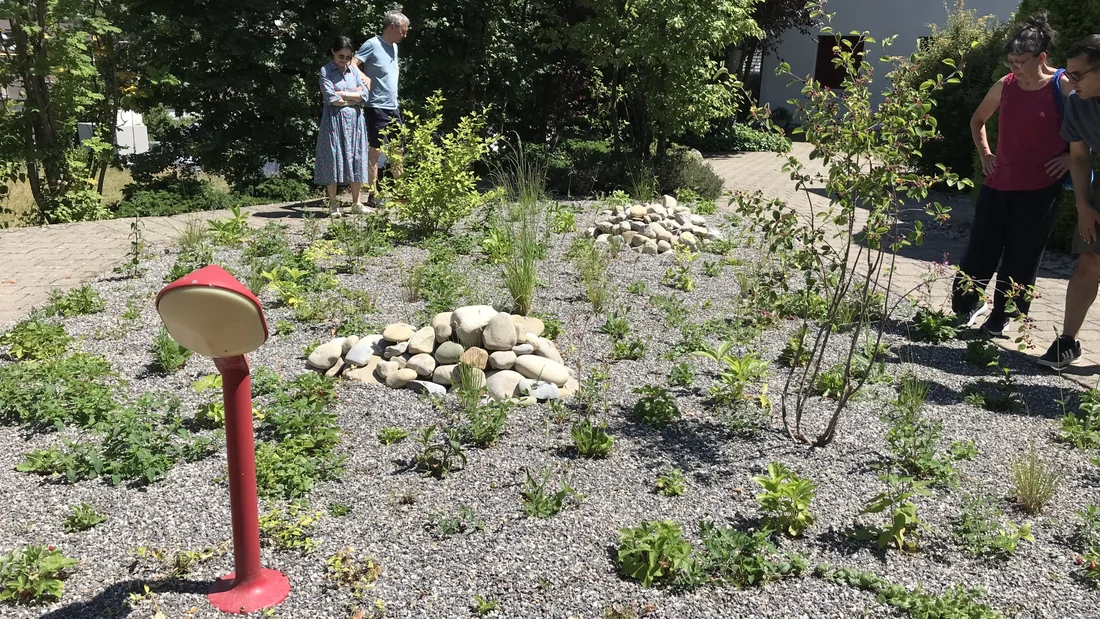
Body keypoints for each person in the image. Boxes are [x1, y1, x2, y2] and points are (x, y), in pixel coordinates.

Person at [951, 13, 1071, 337]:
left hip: (1041, 190)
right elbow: (977, 120)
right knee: (980, 250)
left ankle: (1002, 317)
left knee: (1021, 256)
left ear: (1041, 57)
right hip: (999, 184)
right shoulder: (1004, 85)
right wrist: (986, 154)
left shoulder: (1063, 86)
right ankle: (966, 307)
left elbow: (1087, 131)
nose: (1014, 67)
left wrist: (1071, 159)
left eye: (1020, 61)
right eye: (1011, 60)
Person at [1037, 34, 1100, 369]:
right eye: (1069, 74)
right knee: (1089, 261)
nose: (1070, 82)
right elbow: (1078, 156)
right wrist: (1083, 204)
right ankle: (1067, 342)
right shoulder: (1078, 101)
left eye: (1078, 75)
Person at [351, 10, 409, 208]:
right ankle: (373, 195)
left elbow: (394, 69)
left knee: (398, 151)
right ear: (392, 27)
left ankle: (400, 194)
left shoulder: (394, 47)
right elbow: (352, 64)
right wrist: (363, 77)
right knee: (375, 152)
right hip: (375, 106)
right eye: (403, 30)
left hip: (393, 106)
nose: (405, 34)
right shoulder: (372, 44)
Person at [314, 36, 371, 218]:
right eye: (341, 56)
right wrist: (352, 96)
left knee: (356, 157)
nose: (345, 61)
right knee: (333, 158)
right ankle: (333, 204)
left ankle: (356, 202)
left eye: (348, 57)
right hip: (334, 123)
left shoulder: (353, 71)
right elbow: (331, 98)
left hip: (355, 123)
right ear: (333, 52)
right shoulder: (326, 71)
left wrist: (344, 94)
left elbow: (365, 95)